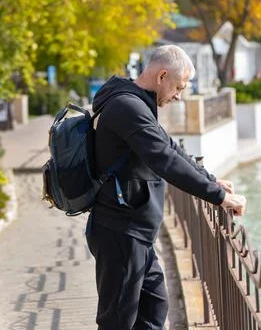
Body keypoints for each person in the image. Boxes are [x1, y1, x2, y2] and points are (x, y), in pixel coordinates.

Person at [85, 45, 246, 330]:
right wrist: (220, 198)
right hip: (120, 231)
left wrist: (211, 180)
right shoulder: (128, 107)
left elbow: (170, 148)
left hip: (134, 230)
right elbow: (165, 160)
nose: (179, 95)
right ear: (162, 75)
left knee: (154, 308)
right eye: (179, 86)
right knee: (117, 320)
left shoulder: (136, 102)